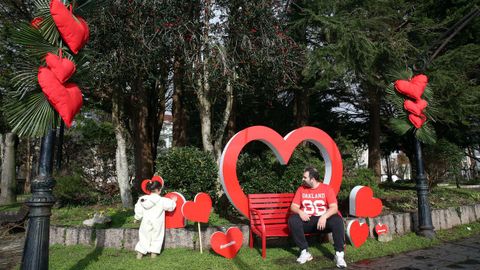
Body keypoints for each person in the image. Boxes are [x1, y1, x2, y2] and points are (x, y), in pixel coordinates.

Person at [288, 166, 347, 268]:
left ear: (312, 179)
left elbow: (334, 207)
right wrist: (300, 212)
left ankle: (339, 255)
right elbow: (293, 206)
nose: (302, 179)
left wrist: (324, 216)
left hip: (323, 221)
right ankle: (304, 251)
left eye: (305, 177)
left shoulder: (326, 189)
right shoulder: (301, 189)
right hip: (308, 221)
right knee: (293, 219)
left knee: (337, 220)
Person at [134, 180, 177, 259]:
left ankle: (140, 253)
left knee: (144, 236)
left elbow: (138, 209)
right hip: (158, 222)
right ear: (158, 190)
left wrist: (137, 217)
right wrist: (173, 201)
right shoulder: (162, 200)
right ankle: (154, 253)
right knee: (157, 236)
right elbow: (170, 207)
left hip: (146, 221)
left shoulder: (143, 199)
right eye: (160, 189)